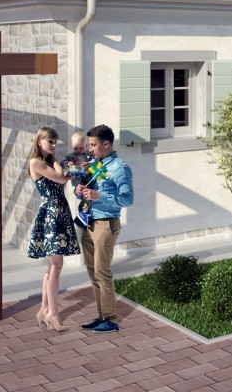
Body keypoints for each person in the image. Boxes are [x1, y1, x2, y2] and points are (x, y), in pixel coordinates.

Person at [77, 123, 134, 333]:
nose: (90, 149)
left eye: (93, 145)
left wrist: (101, 196)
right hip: (89, 223)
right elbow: (89, 191)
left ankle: (110, 319)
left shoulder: (120, 168)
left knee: (103, 273)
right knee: (93, 274)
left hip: (106, 225)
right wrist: (81, 190)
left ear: (106, 143)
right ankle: (101, 316)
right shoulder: (96, 165)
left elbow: (128, 199)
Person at [25, 126, 80, 331]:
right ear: (40, 142)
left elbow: (64, 175)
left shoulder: (47, 161)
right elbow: (60, 177)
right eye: (51, 142)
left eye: (56, 142)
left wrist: (60, 164)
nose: (54, 145)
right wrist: (62, 166)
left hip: (60, 211)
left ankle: (44, 310)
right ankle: (53, 315)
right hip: (50, 214)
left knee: (52, 266)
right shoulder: (36, 162)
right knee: (57, 264)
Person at [63, 131, 92, 229]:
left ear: (86, 145)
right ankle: (84, 213)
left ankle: (84, 213)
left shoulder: (89, 155)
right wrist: (68, 164)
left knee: (88, 196)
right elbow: (62, 163)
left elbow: (94, 162)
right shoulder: (71, 156)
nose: (79, 150)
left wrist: (89, 164)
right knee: (84, 195)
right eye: (76, 148)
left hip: (89, 179)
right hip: (78, 181)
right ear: (72, 146)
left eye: (81, 148)